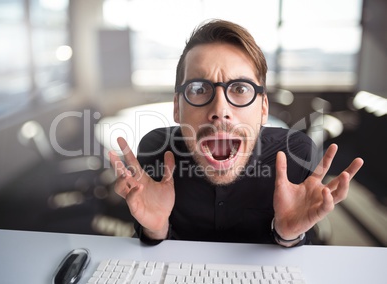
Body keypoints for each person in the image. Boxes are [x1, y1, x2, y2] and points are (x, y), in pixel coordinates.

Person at [109, 19, 364, 247]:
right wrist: (156, 229)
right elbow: (150, 254)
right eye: (199, 89)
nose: (220, 110)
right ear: (177, 107)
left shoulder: (294, 153)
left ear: (263, 108)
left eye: (240, 88)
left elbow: (299, 255)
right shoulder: (157, 150)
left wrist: (288, 235)